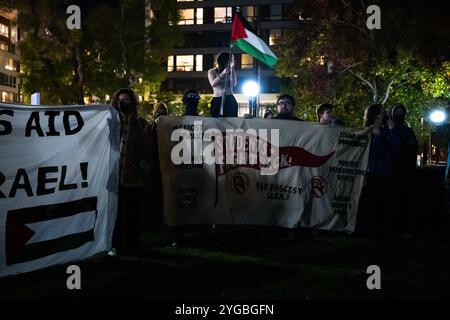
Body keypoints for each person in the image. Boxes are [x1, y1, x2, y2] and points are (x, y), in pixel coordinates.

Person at [110, 88, 152, 256]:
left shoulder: (141, 124)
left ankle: (132, 246)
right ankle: (116, 246)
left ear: (133, 103)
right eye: (120, 100)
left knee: (132, 215)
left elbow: (148, 152)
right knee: (116, 215)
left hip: (133, 179)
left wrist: (140, 170)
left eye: (127, 100)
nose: (123, 103)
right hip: (113, 178)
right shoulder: (111, 123)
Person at [388, 103, 418, 237]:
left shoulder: (408, 130)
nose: (400, 114)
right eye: (397, 111)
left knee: (405, 200)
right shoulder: (388, 129)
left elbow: (413, 145)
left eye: (401, 111)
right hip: (392, 171)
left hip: (406, 171)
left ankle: (404, 227)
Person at [207, 52, 238, 117]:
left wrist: (231, 70)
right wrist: (223, 73)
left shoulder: (232, 72)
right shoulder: (212, 71)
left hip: (229, 99)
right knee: (216, 122)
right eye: (231, 59)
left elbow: (233, 84)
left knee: (231, 122)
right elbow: (213, 84)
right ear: (225, 60)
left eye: (233, 60)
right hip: (217, 100)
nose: (233, 61)